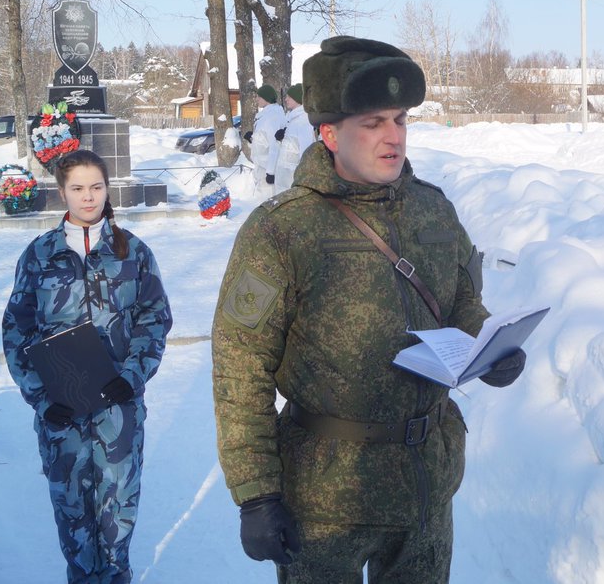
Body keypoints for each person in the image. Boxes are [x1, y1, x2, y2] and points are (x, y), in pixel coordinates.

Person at [212, 35, 526, 583]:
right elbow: (240, 367)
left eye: (401, 120)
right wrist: (256, 494)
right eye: (374, 122)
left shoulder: (433, 210)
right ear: (330, 133)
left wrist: (488, 349)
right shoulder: (283, 230)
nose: (394, 137)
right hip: (326, 495)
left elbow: (461, 304)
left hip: (425, 483)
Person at [2, 149, 173, 583]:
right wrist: (41, 399)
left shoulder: (132, 250)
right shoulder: (40, 255)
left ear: (107, 188)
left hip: (118, 407)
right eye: (77, 188)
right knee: (73, 517)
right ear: (62, 192)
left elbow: (154, 318)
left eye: (96, 186)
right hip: (62, 412)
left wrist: (131, 376)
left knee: (118, 516)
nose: (88, 197)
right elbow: (16, 330)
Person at [272, 82, 316, 194]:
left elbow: (307, 153)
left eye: (289, 97)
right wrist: (282, 138)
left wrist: (303, 182)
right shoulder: (293, 119)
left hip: (293, 181)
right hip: (284, 180)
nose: (286, 99)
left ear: (298, 99)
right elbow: (292, 147)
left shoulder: (304, 121)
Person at [251, 83, 286, 200]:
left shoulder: (273, 117)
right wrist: (251, 138)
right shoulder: (265, 115)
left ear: (266, 98)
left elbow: (275, 145)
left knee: (267, 202)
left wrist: (270, 172)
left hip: (267, 168)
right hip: (261, 167)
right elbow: (263, 140)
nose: (257, 99)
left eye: (259, 97)